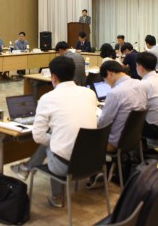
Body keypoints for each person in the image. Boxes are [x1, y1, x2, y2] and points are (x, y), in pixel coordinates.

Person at [10, 56, 98, 208]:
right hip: (93, 161)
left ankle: (56, 195)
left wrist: (58, 139)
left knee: (52, 143)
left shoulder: (47, 98)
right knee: (57, 139)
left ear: (53, 77)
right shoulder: (89, 94)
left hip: (67, 166)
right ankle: (26, 167)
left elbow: (38, 137)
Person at [97, 60, 147, 151]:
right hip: (134, 138)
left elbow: (102, 124)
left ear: (109, 74)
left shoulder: (115, 93)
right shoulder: (140, 84)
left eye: (105, 80)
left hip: (114, 143)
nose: (107, 84)